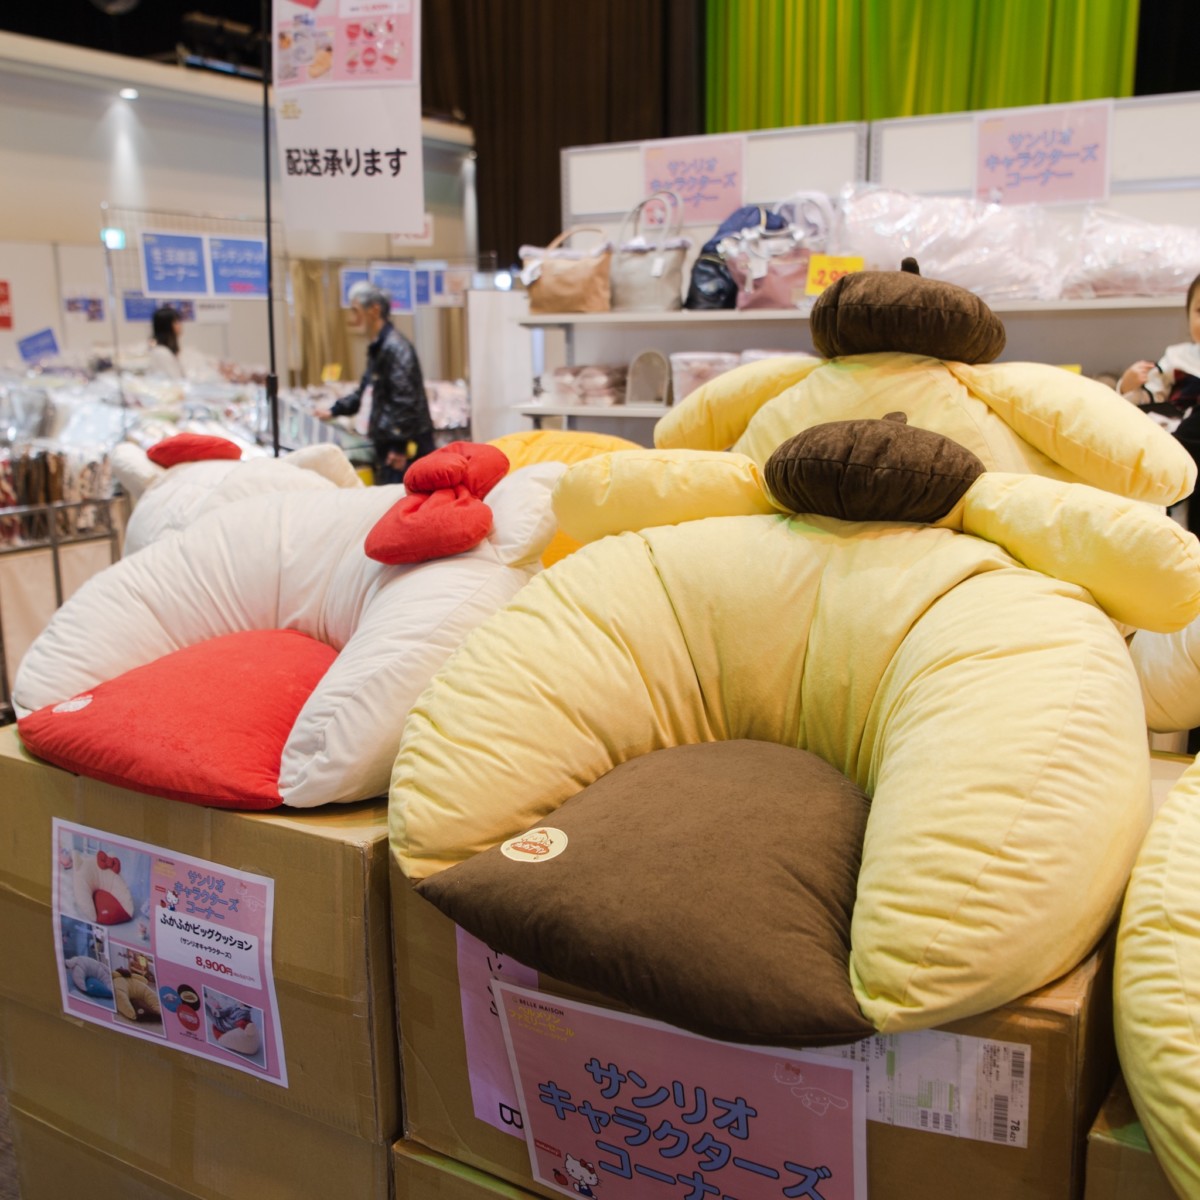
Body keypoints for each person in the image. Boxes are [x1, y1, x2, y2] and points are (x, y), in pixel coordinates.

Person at [321, 280, 434, 484]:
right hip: (389, 444)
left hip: (397, 450)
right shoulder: (380, 347)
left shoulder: (395, 347)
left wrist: (398, 447)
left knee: (398, 497)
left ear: (374, 310)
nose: (352, 319)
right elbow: (366, 391)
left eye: (355, 311)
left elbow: (405, 399)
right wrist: (333, 411)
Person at [1119, 273, 1200, 532]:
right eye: (1199, 311)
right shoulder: (1178, 357)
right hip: (1177, 438)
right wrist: (1128, 385)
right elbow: (1149, 396)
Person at [147, 305, 185, 380]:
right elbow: (175, 380)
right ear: (166, 326)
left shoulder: (166, 350)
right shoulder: (161, 353)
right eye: (176, 322)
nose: (180, 325)